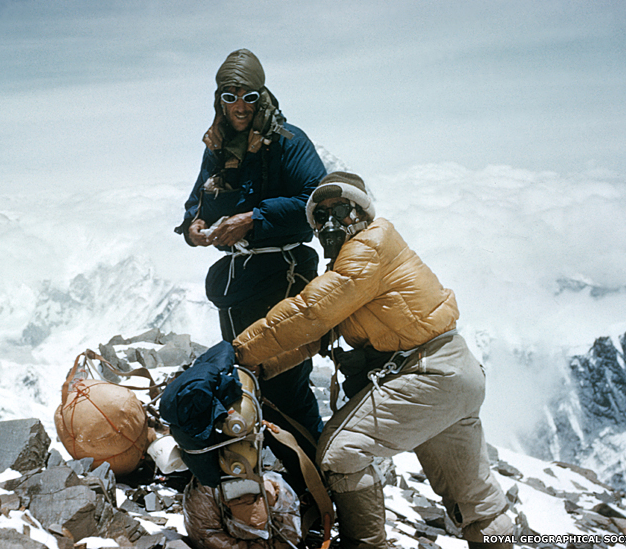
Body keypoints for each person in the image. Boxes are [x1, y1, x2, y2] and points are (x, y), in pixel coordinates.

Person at [233, 172, 514, 549]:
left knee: (340, 453)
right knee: (476, 502)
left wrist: (236, 352)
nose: (331, 222)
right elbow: (315, 336)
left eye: (342, 210)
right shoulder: (358, 263)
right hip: (455, 375)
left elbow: (309, 313)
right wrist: (258, 366)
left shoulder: (368, 249)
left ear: (363, 213)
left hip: (427, 373)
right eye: (322, 215)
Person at [174, 49, 327, 491]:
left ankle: (318, 492)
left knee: (285, 385)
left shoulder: (289, 142)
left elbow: (314, 202)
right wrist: (195, 228)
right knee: (244, 377)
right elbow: (196, 204)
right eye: (230, 95)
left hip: (284, 276)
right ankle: (275, 489)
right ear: (219, 99)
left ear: (262, 97)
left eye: (249, 95)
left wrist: (254, 219)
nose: (240, 105)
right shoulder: (217, 145)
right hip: (240, 283)